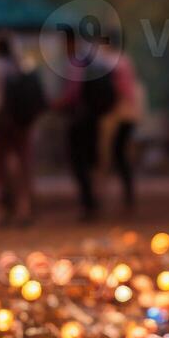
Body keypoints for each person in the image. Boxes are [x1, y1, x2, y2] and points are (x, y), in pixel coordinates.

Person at [53, 27, 116, 221]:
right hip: (93, 117)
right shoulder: (91, 60)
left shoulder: (74, 62)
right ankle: (95, 200)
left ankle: (89, 203)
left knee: (79, 161)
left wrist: (57, 104)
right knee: (91, 160)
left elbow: (73, 93)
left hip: (79, 118)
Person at [0, 35, 39, 224]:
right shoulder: (20, 65)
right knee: (21, 162)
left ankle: (2, 208)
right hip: (20, 119)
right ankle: (24, 206)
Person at [97, 34, 142, 215]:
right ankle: (125, 197)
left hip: (116, 115)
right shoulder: (124, 61)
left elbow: (123, 90)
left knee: (114, 155)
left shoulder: (111, 63)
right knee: (120, 155)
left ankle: (120, 197)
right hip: (128, 114)